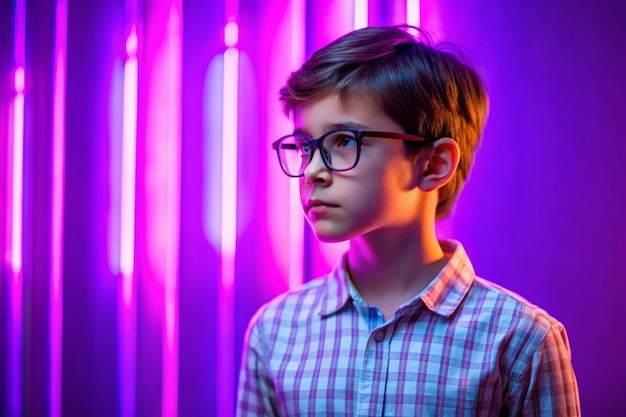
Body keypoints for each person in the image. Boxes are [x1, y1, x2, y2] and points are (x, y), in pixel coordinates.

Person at [236, 25, 580, 416]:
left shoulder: (520, 341)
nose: (313, 170)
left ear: (434, 164)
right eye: (304, 147)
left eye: (345, 141)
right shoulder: (275, 332)